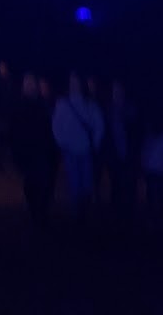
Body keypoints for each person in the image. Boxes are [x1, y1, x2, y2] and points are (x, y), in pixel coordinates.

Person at [52, 72, 104, 221]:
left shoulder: (89, 104)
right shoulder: (62, 103)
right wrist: (62, 143)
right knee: (74, 180)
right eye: (72, 82)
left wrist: (95, 143)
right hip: (70, 149)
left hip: (85, 149)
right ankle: (78, 212)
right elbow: (56, 125)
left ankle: (84, 211)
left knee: (86, 181)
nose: (74, 85)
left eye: (76, 82)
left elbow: (99, 124)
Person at [10, 72, 57, 228]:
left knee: (43, 183)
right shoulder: (19, 105)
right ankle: (36, 213)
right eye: (27, 83)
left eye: (31, 83)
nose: (29, 86)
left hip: (42, 150)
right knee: (31, 184)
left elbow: (51, 127)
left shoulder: (43, 104)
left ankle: (40, 214)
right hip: (27, 151)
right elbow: (14, 130)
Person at [104, 80, 139, 218]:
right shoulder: (108, 109)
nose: (117, 93)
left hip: (128, 153)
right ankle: (117, 212)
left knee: (129, 183)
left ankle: (128, 212)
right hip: (114, 154)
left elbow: (135, 132)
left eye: (119, 90)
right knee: (116, 182)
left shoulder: (130, 109)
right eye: (115, 91)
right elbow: (105, 133)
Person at [140, 122, 163, 226]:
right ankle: (159, 219)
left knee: (153, 194)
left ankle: (155, 217)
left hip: (148, 171)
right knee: (160, 193)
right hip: (157, 173)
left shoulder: (149, 136)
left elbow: (143, 155)